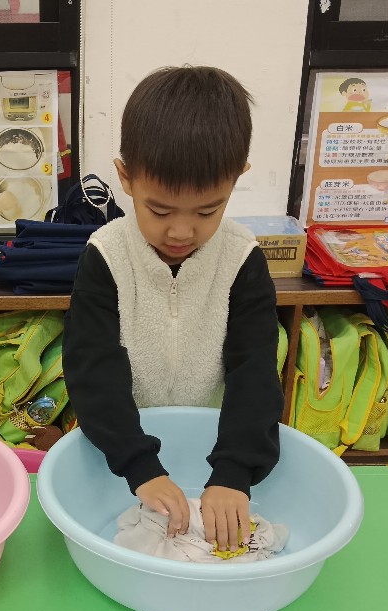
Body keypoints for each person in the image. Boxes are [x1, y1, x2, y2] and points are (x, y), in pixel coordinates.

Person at [62, 65, 283, 553]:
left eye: (207, 211)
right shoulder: (106, 256)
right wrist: (138, 464)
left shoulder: (242, 258)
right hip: (122, 447)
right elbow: (92, 367)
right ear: (126, 178)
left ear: (236, 179)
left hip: (209, 441)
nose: (181, 232)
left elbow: (254, 370)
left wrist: (234, 470)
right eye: (159, 210)